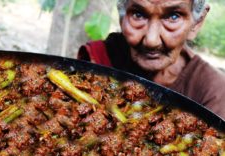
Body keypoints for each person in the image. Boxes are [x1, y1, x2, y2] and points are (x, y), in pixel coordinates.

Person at [78, 0, 225, 119]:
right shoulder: (100, 57)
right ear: (121, 16)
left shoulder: (213, 91)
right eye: (138, 14)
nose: (151, 40)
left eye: (173, 16)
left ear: (197, 22)